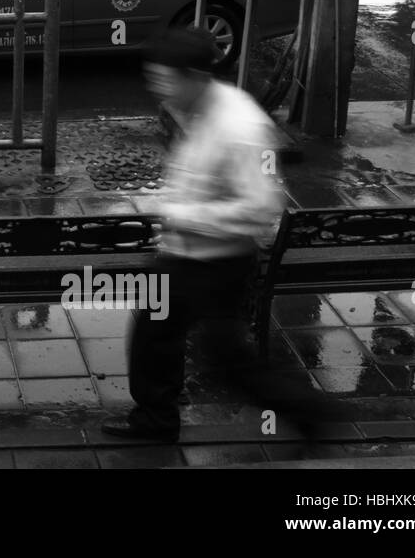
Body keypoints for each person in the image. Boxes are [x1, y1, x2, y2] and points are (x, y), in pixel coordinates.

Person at [101, 26, 327, 442]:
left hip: (217, 262)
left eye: (165, 79)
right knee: (155, 334)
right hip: (183, 253)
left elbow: (261, 206)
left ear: (196, 76)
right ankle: (156, 418)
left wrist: (185, 215)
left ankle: (309, 410)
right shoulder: (195, 105)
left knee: (224, 357)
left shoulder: (241, 127)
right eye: (153, 78)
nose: (157, 89)